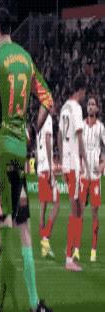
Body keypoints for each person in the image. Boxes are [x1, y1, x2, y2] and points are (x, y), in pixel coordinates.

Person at [0, 5, 52, 312]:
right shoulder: (26, 59)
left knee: (5, 227)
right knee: (24, 227)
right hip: (21, 152)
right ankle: (33, 303)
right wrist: (32, 129)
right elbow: (48, 101)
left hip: (3, 149)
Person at [58, 75, 87, 271]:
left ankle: (70, 249)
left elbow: (60, 136)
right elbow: (79, 135)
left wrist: (62, 162)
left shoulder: (64, 108)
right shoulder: (76, 108)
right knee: (75, 209)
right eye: (84, 92)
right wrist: (85, 161)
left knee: (76, 207)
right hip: (74, 164)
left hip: (67, 163)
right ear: (81, 90)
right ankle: (69, 258)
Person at [77, 95, 105, 262]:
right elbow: (77, 147)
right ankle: (76, 248)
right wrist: (78, 164)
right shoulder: (81, 125)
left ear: (97, 108)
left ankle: (93, 249)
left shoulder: (101, 128)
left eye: (93, 104)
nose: (90, 106)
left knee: (94, 212)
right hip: (83, 175)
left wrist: (102, 165)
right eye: (88, 104)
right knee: (79, 211)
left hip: (95, 175)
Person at [37, 113, 59, 259]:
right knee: (56, 204)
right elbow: (47, 139)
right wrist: (51, 168)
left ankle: (44, 247)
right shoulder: (48, 118)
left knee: (43, 206)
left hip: (40, 167)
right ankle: (45, 239)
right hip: (46, 167)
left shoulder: (39, 121)